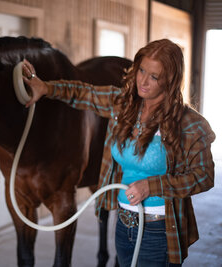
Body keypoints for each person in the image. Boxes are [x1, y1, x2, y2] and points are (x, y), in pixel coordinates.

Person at [21, 39, 215, 267]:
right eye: (141, 70)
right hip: (124, 225)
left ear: (170, 81)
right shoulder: (123, 106)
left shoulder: (189, 125)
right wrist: (46, 88)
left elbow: (204, 177)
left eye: (154, 76)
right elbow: (84, 93)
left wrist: (151, 186)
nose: (143, 81)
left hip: (158, 229)